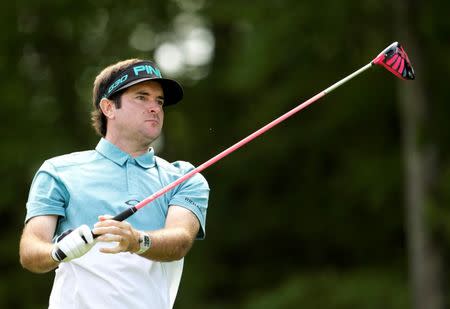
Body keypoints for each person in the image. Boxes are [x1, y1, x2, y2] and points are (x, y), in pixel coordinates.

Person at [19, 59, 210, 309]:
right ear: (109, 107)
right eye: (142, 97)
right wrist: (59, 250)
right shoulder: (58, 172)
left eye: (159, 101)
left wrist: (137, 240)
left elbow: (181, 240)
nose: (155, 108)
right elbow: (31, 251)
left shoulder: (184, 177)